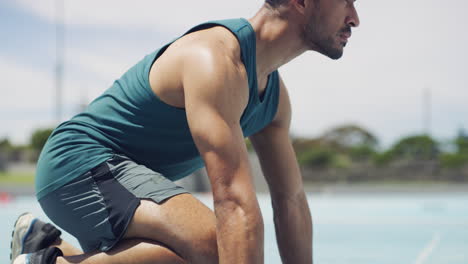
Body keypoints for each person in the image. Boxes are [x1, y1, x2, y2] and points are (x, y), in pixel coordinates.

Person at [11, 0, 359, 263]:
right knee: (216, 244)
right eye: (347, 0)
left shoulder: (275, 100)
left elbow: (291, 202)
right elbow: (234, 202)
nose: (355, 18)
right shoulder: (214, 59)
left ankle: (47, 253)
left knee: (191, 253)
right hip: (76, 163)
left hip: (119, 180)